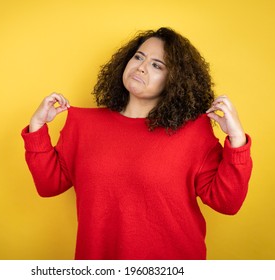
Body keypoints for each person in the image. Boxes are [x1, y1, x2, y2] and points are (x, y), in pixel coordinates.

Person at [21, 27, 253, 260]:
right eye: (139, 57)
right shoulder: (83, 123)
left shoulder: (193, 131)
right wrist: (38, 126)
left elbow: (227, 203)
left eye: (157, 65)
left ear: (174, 80)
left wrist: (236, 140)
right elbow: (49, 185)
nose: (141, 66)